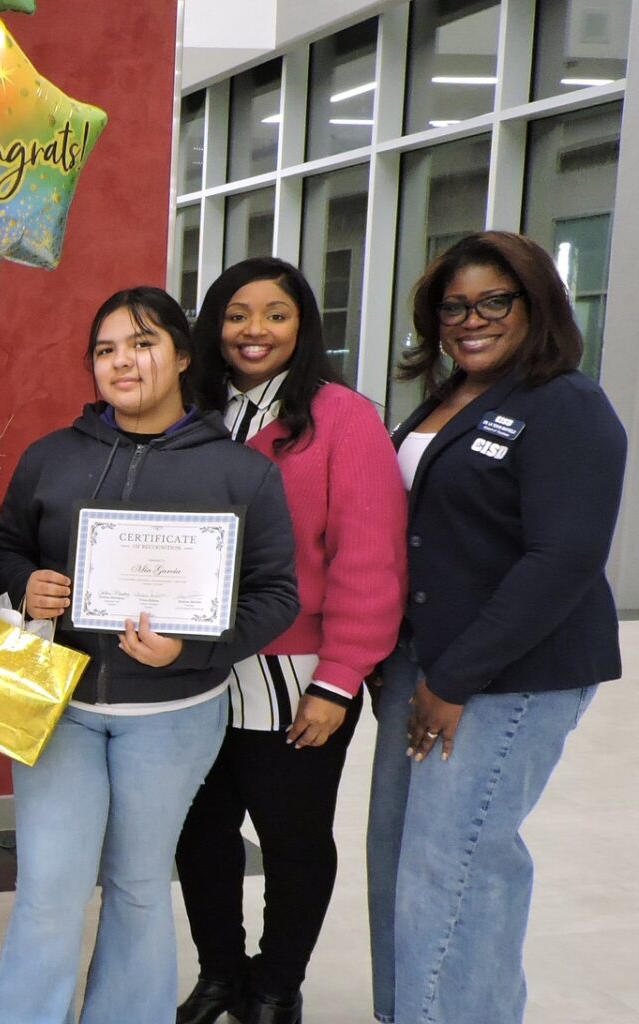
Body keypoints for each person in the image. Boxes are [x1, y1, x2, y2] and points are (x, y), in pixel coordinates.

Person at [0, 287, 299, 1024]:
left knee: (139, 885)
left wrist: (195, 645)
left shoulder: (240, 471)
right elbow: (4, 551)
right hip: (55, 703)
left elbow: (275, 594)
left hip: (175, 714)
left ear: (184, 356)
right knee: (49, 890)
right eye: (106, 349)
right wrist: (28, 584)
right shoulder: (52, 457)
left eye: (143, 342)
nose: (123, 361)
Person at [366, 231, 623, 1024]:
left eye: (492, 302)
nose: (469, 320)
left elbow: (562, 558)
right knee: (400, 856)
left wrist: (454, 680)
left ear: (535, 302)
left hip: (506, 675)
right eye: (453, 306)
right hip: (424, 663)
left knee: (458, 864)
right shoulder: (449, 398)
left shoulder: (567, 405)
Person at [172, 258, 407, 1024]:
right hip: (189, 672)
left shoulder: (344, 417)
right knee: (200, 836)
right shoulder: (185, 410)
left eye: (275, 314)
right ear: (213, 325)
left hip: (296, 679)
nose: (254, 331)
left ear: (302, 324)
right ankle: (221, 975)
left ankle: (276, 987)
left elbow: (370, 558)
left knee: (294, 843)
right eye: (238, 314)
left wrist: (340, 681)